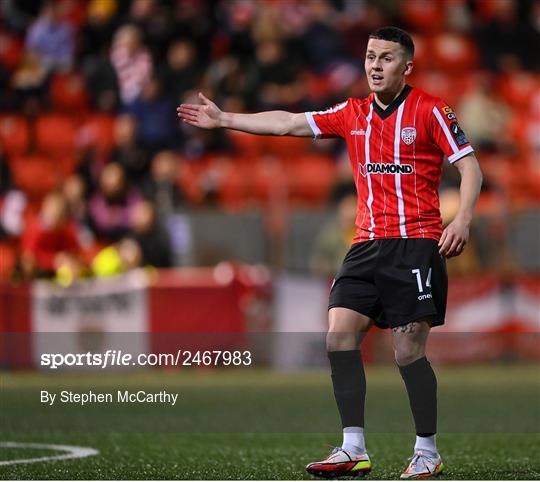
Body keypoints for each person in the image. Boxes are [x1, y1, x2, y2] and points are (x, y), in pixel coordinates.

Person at [177, 26, 483, 479]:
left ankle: (426, 451)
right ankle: (352, 447)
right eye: (369, 57)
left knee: (406, 350)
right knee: (338, 335)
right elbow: (289, 122)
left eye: (385, 58)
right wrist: (226, 120)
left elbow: (470, 167)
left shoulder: (431, 110)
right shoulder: (352, 112)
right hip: (364, 245)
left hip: (415, 244)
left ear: (407, 67)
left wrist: (463, 219)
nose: (375, 66)